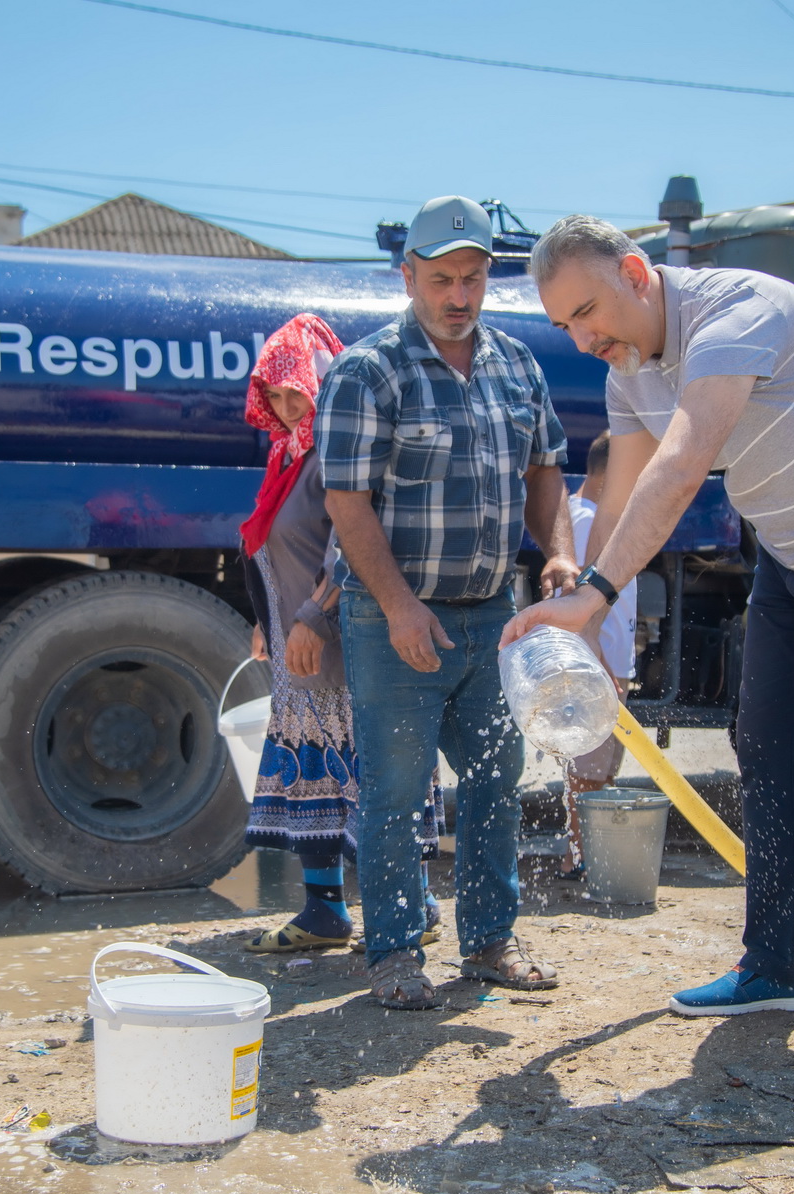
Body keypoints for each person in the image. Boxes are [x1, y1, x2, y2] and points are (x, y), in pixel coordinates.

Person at [505, 214, 794, 1086]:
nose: (583, 337)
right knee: (763, 749)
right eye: (564, 324)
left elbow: (683, 465)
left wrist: (598, 594)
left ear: (636, 272)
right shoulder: (627, 370)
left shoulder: (738, 313)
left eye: (588, 311)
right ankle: (776, 967)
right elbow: (623, 497)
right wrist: (587, 613)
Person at [314, 195, 578, 1009]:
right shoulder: (368, 371)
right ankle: (394, 953)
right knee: (397, 789)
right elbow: (346, 503)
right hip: (393, 618)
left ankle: (491, 941)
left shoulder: (516, 365)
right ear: (409, 277)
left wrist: (561, 551)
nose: (458, 296)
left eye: (471, 279)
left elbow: (545, 471)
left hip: (492, 614)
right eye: (441, 280)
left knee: (498, 777)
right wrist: (396, 606)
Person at [235, 314, 444, 953]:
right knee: (316, 780)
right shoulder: (288, 457)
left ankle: (418, 903)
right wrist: (264, 617)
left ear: (323, 380)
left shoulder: (337, 451)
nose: (286, 402)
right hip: (299, 653)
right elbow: (272, 544)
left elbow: (349, 543)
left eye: (296, 387)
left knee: (374, 775)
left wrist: (312, 616)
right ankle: (325, 910)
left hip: (344, 645)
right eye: (273, 393)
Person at [559, 429, 639, 879]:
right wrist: (605, 668)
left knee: (599, 767)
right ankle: (580, 854)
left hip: (608, 664)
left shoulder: (585, 513)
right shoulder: (589, 520)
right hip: (600, 668)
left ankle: (586, 850)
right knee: (589, 769)